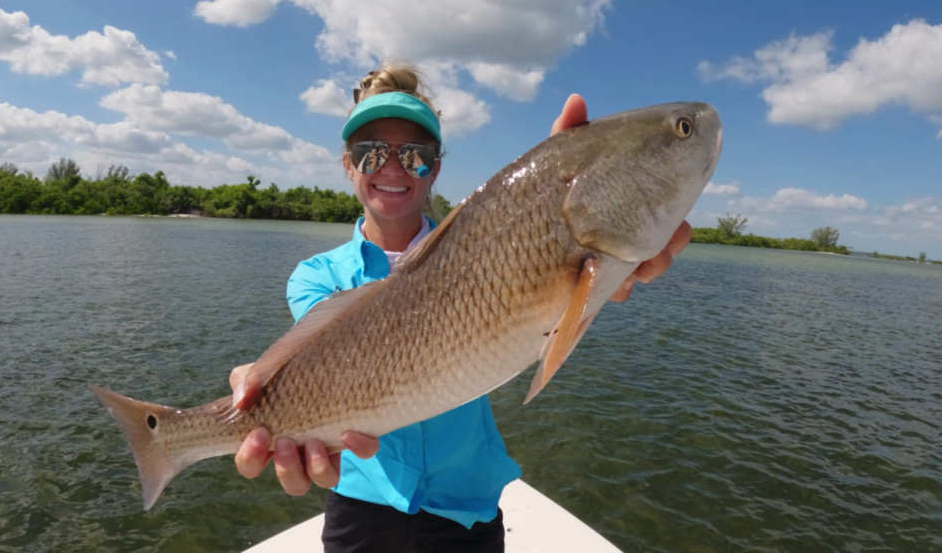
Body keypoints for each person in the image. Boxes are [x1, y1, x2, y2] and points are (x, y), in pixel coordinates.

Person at [229, 63, 692, 552]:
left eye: (416, 156)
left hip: (465, 506)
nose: (393, 168)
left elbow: (544, 303)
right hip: (361, 503)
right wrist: (257, 388)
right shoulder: (314, 277)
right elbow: (323, 361)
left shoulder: (490, 244)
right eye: (370, 153)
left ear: (435, 168)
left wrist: (572, 235)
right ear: (348, 164)